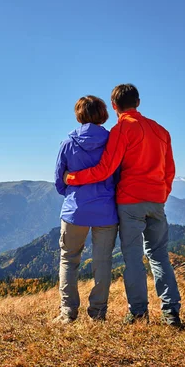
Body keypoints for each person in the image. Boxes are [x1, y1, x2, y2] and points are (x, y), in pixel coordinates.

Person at [65, 84, 181, 326]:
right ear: (138, 102)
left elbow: (105, 169)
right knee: (160, 256)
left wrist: (73, 178)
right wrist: (162, 194)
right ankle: (171, 312)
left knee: (133, 259)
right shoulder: (161, 131)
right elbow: (169, 171)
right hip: (157, 201)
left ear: (115, 106)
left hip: (130, 201)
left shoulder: (122, 129)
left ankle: (138, 313)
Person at [53, 95, 119, 324]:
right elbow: (119, 175)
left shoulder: (68, 143)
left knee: (69, 260)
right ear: (103, 113)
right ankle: (98, 313)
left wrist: (73, 195)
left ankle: (67, 313)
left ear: (79, 114)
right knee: (103, 263)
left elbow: (59, 180)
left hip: (75, 211)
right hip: (106, 211)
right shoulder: (113, 142)